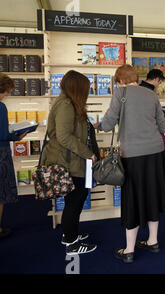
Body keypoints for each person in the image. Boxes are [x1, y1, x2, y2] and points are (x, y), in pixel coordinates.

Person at [96, 65, 165, 263]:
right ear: (135, 78)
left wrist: (98, 125)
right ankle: (153, 241)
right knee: (152, 194)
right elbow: (162, 126)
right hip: (155, 152)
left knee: (133, 199)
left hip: (133, 154)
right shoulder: (151, 94)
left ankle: (129, 250)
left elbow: (108, 124)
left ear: (119, 80)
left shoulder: (120, 93)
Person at [40, 70, 98, 254]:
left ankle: (69, 234)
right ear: (78, 87)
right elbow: (64, 136)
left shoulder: (69, 103)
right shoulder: (66, 104)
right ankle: (72, 244)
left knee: (76, 200)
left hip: (72, 160)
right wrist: (88, 153)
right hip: (70, 162)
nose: (88, 91)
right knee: (75, 201)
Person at [0, 73, 28, 240]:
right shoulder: (1, 107)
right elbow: (3, 134)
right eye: (7, 92)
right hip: (1, 153)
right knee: (1, 193)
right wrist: (17, 136)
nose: (8, 95)